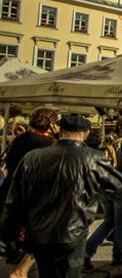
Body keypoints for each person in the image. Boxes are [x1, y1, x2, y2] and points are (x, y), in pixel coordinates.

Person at [0, 115, 122, 278]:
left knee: (46, 272)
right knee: (69, 272)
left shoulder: (33, 157)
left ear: (61, 131)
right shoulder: (92, 158)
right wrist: (92, 196)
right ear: (85, 133)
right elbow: (117, 185)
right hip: (73, 231)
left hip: (40, 233)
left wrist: (9, 237)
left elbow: (13, 200)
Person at [0, 108, 58, 278]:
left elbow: (8, 164)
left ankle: (18, 265)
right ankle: (20, 271)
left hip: (11, 192)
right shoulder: (48, 145)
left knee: (15, 235)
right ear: (51, 125)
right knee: (39, 237)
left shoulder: (19, 140)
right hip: (34, 198)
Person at [84, 118, 122, 268]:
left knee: (109, 222)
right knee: (121, 224)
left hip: (106, 187)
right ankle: (119, 254)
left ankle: (87, 252)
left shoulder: (106, 142)